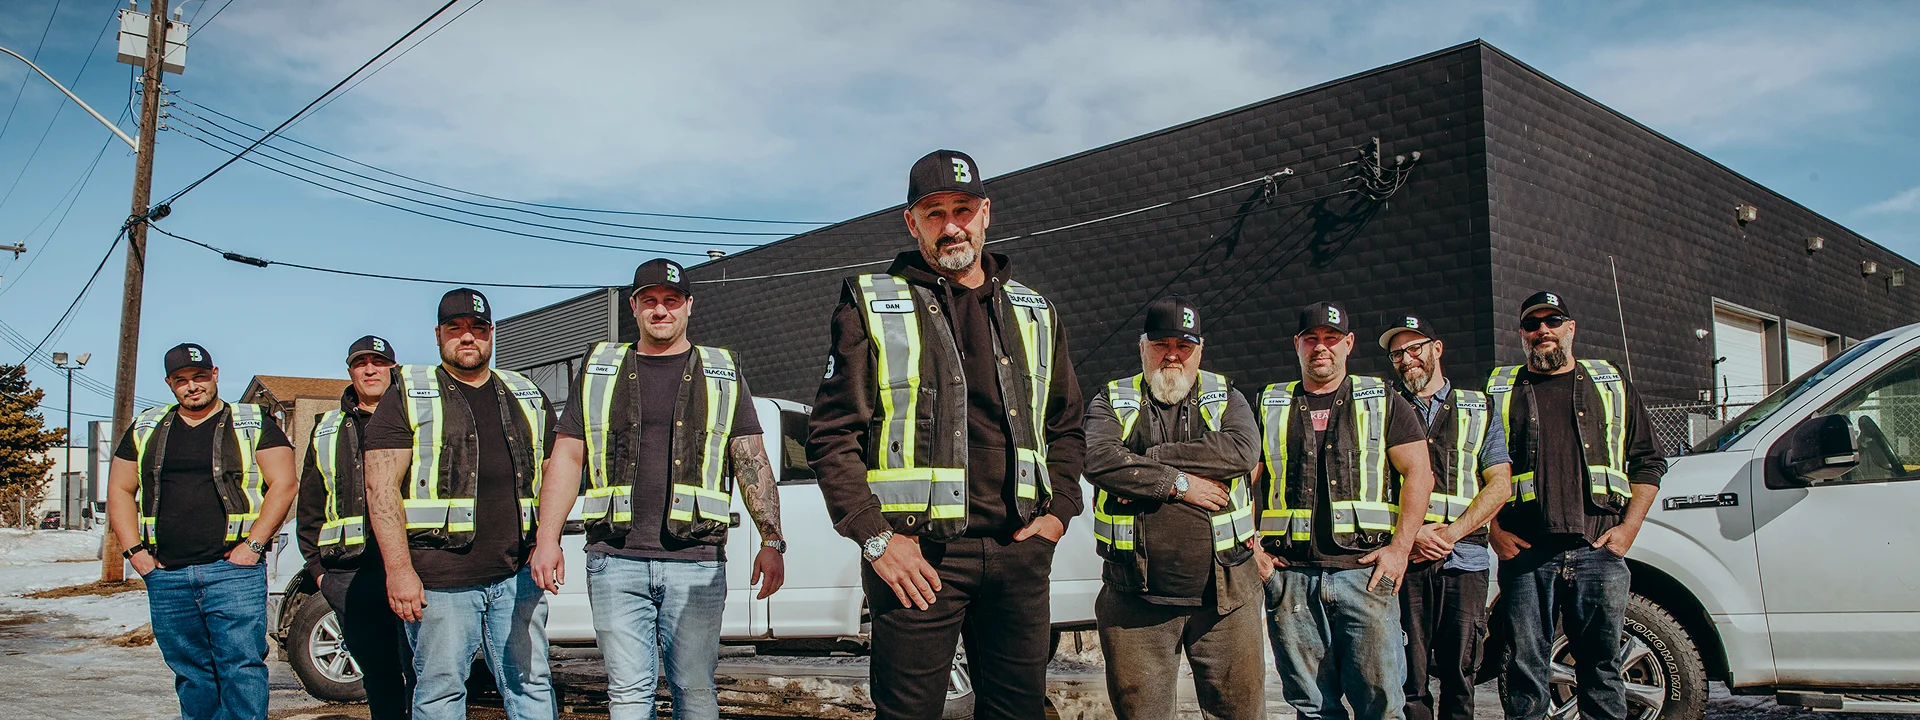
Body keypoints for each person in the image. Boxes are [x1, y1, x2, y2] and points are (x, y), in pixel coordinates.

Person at [808, 149, 1086, 720]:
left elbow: (1065, 426)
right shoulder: (872, 303)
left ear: (987, 213)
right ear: (913, 224)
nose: (951, 225)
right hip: (918, 559)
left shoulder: (1036, 311)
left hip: (1018, 552)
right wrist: (876, 539)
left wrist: (1057, 514)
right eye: (934, 213)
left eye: (963, 209)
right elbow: (832, 436)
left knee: (1019, 712)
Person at [530, 258, 786, 720]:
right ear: (633, 307)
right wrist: (547, 539)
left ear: (689, 306)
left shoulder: (723, 371)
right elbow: (567, 456)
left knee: (695, 690)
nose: (660, 310)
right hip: (614, 560)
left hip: (696, 561)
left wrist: (771, 539)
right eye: (650, 301)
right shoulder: (599, 369)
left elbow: (751, 459)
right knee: (628, 694)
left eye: (671, 301)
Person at [361, 288, 558, 720]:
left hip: (517, 576)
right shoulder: (409, 393)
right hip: (440, 582)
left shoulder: (526, 393)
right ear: (438, 335)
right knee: (440, 694)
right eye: (456, 328)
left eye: (478, 328)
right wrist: (399, 571)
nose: (468, 337)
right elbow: (380, 489)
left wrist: (547, 542)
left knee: (532, 687)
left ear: (492, 333)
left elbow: (554, 476)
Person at [1083, 296, 1265, 719]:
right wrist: (1179, 485)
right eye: (1161, 344)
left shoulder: (1226, 396)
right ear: (1142, 346)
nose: (1172, 356)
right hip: (1135, 603)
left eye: (1183, 346)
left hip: (1226, 601)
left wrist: (1149, 459)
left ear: (1199, 351)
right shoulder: (1112, 399)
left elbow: (1242, 450)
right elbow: (1099, 460)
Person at [1487, 292, 1666, 720]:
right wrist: (1493, 531)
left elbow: (1649, 461)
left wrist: (1628, 530)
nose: (1543, 330)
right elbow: (1478, 467)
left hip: (1597, 551)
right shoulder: (1500, 389)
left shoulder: (1610, 384)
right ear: (1522, 335)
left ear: (1571, 328)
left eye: (1553, 321)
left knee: (1602, 671)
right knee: (1525, 672)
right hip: (1526, 554)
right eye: (1533, 324)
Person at [1255, 301, 1435, 720]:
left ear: (1348, 344)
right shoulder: (1270, 403)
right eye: (1312, 339)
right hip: (1291, 579)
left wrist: (1400, 549)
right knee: (1313, 708)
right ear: (1296, 345)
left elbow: (1419, 475)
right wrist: (1256, 553)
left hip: (1365, 577)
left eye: (1331, 339)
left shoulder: (1381, 399)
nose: (1321, 347)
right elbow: (1243, 480)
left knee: (1382, 706)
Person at [106, 342, 299, 720]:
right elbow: (119, 489)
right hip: (167, 575)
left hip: (233, 572)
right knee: (191, 673)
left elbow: (285, 482)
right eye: (181, 380)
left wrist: (254, 546)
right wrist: (135, 554)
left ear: (214, 375)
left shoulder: (253, 421)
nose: (192, 386)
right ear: (170, 384)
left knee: (241, 667)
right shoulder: (146, 427)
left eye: (198, 377)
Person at [1380, 316, 1513, 720]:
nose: (1407, 359)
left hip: (1464, 561)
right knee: (1409, 681)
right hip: (1407, 561)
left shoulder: (1480, 408)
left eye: (1414, 348)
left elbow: (1500, 483)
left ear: (1437, 349)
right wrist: (1412, 534)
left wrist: (1451, 534)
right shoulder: (1381, 407)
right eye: (1397, 353)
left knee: (1461, 677)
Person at [295, 335, 414, 718]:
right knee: (378, 676)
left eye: (378, 362)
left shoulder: (419, 418)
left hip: (414, 568)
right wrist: (319, 572)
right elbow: (311, 503)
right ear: (350, 371)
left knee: (424, 672)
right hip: (350, 574)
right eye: (361, 363)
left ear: (392, 369)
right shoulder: (327, 429)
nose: (370, 369)